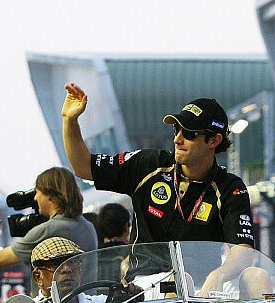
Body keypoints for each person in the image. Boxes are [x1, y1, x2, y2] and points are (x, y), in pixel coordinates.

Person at [61, 83, 254, 248]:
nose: (177, 139)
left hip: (199, 288)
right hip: (145, 282)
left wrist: (218, 276)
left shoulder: (231, 189)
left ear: (214, 140)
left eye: (189, 133)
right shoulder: (148, 164)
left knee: (257, 276)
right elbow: (83, 167)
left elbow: (243, 251)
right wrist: (70, 121)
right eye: (176, 129)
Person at [0, 167, 97, 269]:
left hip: (57, 298)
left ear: (49, 195)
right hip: (87, 297)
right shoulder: (87, 226)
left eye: (38, 192)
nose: (35, 198)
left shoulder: (49, 230)